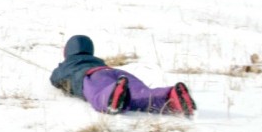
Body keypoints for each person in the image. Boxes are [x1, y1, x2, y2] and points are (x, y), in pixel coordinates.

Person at [50, 35, 196, 116]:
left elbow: (54, 79)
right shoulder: (96, 60)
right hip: (116, 72)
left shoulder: (67, 65)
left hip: (92, 77)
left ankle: (112, 98)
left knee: (98, 94)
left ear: (67, 52)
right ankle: (171, 96)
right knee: (141, 94)